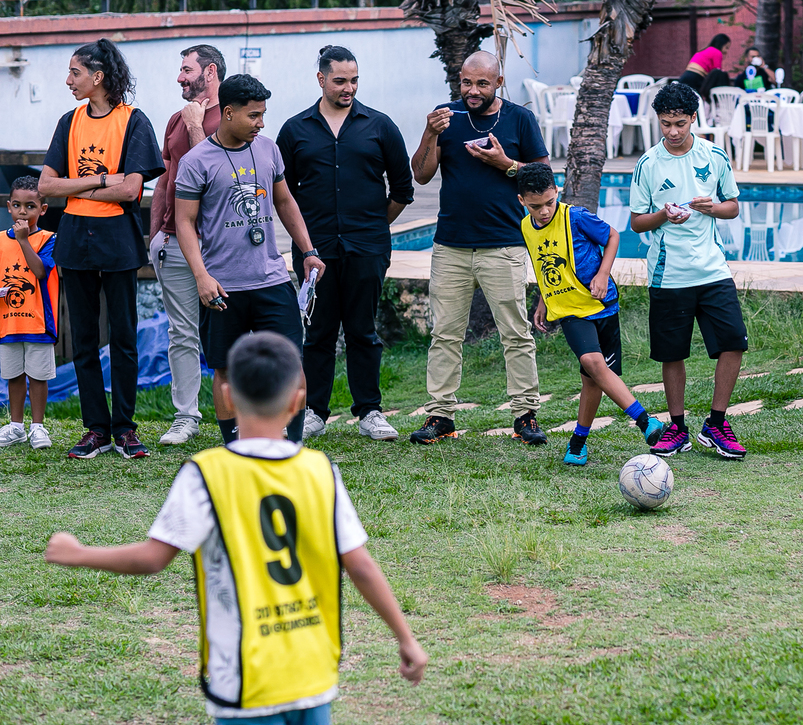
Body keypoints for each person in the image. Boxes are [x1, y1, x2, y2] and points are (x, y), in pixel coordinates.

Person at [44, 331, 428, 723]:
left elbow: (152, 558)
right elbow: (360, 565)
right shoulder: (321, 471)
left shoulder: (205, 473)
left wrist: (78, 554)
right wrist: (406, 638)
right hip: (311, 671)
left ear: (226, 397)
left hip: (244, 681)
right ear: (297, 401)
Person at [174, 74, 326, 445]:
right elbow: (184, 223)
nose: (261, 123)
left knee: (291, 363)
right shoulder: (196, 161)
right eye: (253, 116)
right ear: (228, 113)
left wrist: (308, 251)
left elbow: (285, 201)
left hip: (272, 279)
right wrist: (201, 276)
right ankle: (235, 444)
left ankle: (292, 443)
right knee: (226, 368)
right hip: (223, 286)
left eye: (263, 115)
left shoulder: (269, 150)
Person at [408, 51, 550, 446]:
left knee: (516, 333)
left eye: (482, 84)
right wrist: (430, 133)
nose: (472, 90)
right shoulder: (446, 118)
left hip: (503, 244)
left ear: (498, 83)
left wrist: (505, 163)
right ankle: (440, 416)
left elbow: (544, 177)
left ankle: (525, 415)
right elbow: (420, 175)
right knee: (444, 334)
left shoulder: (520, 119)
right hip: (451, 245)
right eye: (466, 82)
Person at [278, 45, 414, 443]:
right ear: (321, 79)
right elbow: (283, 194)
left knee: (362, 331)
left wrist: (372, 227)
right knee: (318, 332)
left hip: (367, 247)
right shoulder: (295, 130)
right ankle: (314, 413)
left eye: (354, 80)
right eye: (340, 81)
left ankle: (370, 411)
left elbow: (402, 189)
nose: (348, 88)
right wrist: (305, 245)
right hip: (314, 251)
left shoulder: (380, 126)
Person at [38, 39, 164, 460]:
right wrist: (102, 179)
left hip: (118, 241)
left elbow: (130, 190)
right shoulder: (68, 122)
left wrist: (80, 186)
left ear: (98, 76)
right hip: (75, 240)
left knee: (124, 337)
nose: (68, 80)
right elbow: (46, 186)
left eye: (74, 72)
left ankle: (125, 428)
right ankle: (96, 430)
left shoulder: (134, 121)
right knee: (85, 340)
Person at [515, 163, 667, 465]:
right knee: (592, 362)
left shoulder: (576, 217)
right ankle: (645, 421)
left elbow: (612, 236)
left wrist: (603, 274)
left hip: (602, 305)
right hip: (569, 310)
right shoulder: (525, 227)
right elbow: (543, 265)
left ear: (556, 191)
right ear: (522, 201)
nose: (544, 211)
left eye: (549, 202)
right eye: (535, 206)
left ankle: (578, 441)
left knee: (593, 379)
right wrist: (544, 300)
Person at [629, 82, 749, 459]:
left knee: (734, 342)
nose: (673, 131)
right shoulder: (648, 164)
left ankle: (716, 423)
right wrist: (663, 215)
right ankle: (677, 428)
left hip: (712, 270)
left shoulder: (714, 155)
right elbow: (636, 222)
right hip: (668, 275)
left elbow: (733, 206)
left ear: (693, 118)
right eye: (666, 124)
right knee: (672, 353)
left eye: (680, 123)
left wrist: (710, 208)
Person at [151, 44, 226, 447]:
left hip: (219, 246)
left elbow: (212, 177)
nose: (179, 77)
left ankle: (242, 415)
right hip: (174, 244)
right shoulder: (175, 119)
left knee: (232, 330)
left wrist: (197, 126)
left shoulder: (231, 116)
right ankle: (186, 417)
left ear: (209, 72)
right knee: (181, 333)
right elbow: (166, 178)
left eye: (186, 70)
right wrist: (157, 233)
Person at [0, 176, 58, 450]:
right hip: (8, 323)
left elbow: (40, 272)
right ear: (8, 206)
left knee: (37, 376)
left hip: (38, 323)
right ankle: (16, 426)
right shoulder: (0, 240)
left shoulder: (49, 239)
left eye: (30, 206)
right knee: (13, 375)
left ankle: (37, 426)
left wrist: (24, 241)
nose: (22, 212)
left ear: (43, 209)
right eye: (17, 205)